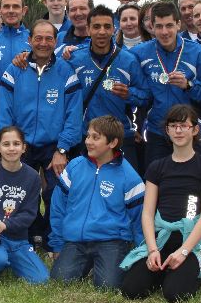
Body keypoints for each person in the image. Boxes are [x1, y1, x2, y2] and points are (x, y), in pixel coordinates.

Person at [120, 104, 201, 303]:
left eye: (184, 125)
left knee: (175, 295)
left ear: (194, 130)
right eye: (173, 125)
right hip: (163, 238)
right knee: (131, 290)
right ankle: (165, 268)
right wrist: (151, 250)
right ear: (166, 130)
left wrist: (184, 252)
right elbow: (148, 214)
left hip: (191, 240)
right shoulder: (157, 167)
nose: (178, 130)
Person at [0, 19, 82, 250]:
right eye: (38, 38)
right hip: (21, 143)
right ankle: (27, 236)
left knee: (56, 193)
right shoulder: (16, 68)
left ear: (56, 42)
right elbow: (4, 110)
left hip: (53, 145)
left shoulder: (66, 72)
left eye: (48, 38)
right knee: (21, 192)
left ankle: (53, 240)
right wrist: (10, 143)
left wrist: (62, 149)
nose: (43, 43)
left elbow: (74, 115)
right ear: (29, 40)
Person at [49, 116, 145, 290]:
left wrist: (141, 254)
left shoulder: (130, 177)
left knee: (108, 286)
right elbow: (58, 206)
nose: (88, 142)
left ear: (112, 142)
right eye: (87, 136)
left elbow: (139, 218)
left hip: (111, 241)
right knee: (59, 281)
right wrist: (57, 243)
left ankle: (103, 264)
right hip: (75, 240)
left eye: (95, 137)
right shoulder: (74, 166)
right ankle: (87, 263)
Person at [131, 1, 201, 171]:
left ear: (178, 24)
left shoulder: (198, 52)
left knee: (191, 184)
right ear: (152, 27)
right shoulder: (140, 52)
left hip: (189, 131)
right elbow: (113, 55)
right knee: (156, 184)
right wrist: (76, 50)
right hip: (158, 132)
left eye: (169, 25)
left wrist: (189, 85)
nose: (164, 32)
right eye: (159, 26)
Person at [68, 6, 148, 172]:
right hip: (86, 135)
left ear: (114, 29)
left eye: (107, 26)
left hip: (120, 135)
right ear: (88, 29)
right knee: (87, 187)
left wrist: (129, 94)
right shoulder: (75, 59)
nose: (102, 32)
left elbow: (146, 95)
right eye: (96, 27)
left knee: (127, 189)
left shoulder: (128, 60)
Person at [0, 126, 48, 284]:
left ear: (24, 148)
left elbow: (28, 214)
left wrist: (5, 225)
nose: (11, 148)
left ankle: (11, 258)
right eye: (6, 144)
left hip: (18, 240)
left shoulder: (33, 177)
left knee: (41, 280)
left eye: (16, 144)